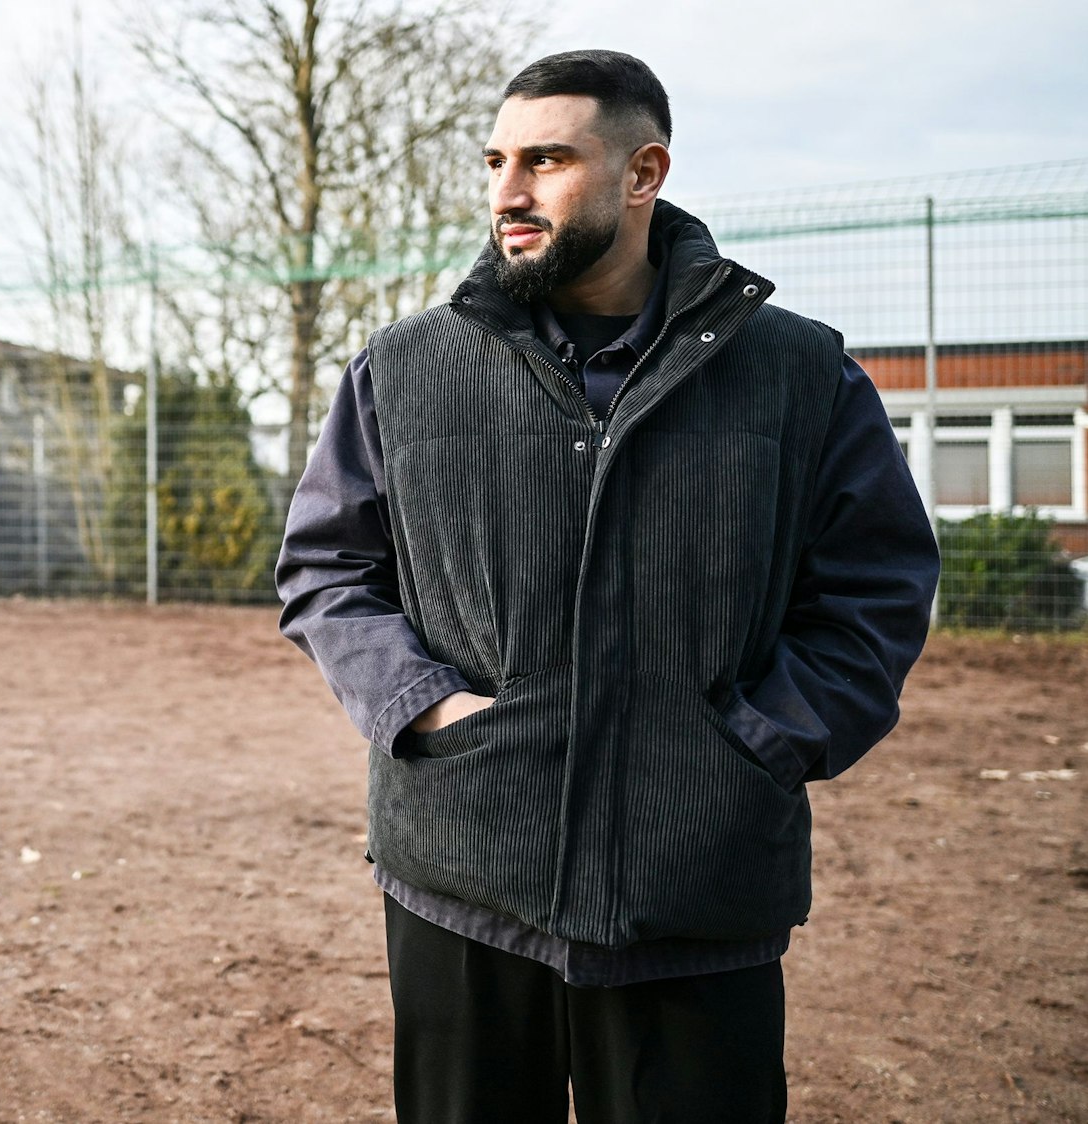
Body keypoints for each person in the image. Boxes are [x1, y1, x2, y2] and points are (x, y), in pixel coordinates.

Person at [274, 50, 939, 1124]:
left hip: (695, 895)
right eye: (496, 161)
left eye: (546, 160)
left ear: (643, 173)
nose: (508, 191)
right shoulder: (404, 367)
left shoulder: (797, 373)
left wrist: (759, 738)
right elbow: (325, 567)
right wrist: (423, 706)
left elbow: (878, 586)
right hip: (463, 875)